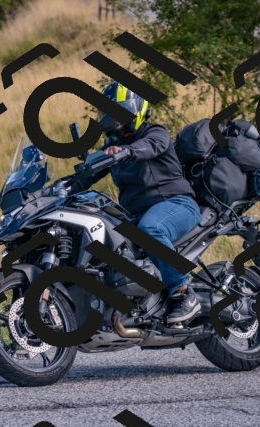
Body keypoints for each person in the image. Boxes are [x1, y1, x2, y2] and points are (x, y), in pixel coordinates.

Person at [69, 82, 202, 325]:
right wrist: (59, 190)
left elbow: (149, 147)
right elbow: (86, 178)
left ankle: (183, 292)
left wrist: (127, 152)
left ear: (134, 111)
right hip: (137, 214)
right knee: (105, 238)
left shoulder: (155, 133)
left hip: (177, 204)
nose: (112, 120)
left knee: (150, 229)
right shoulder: (112, 146)